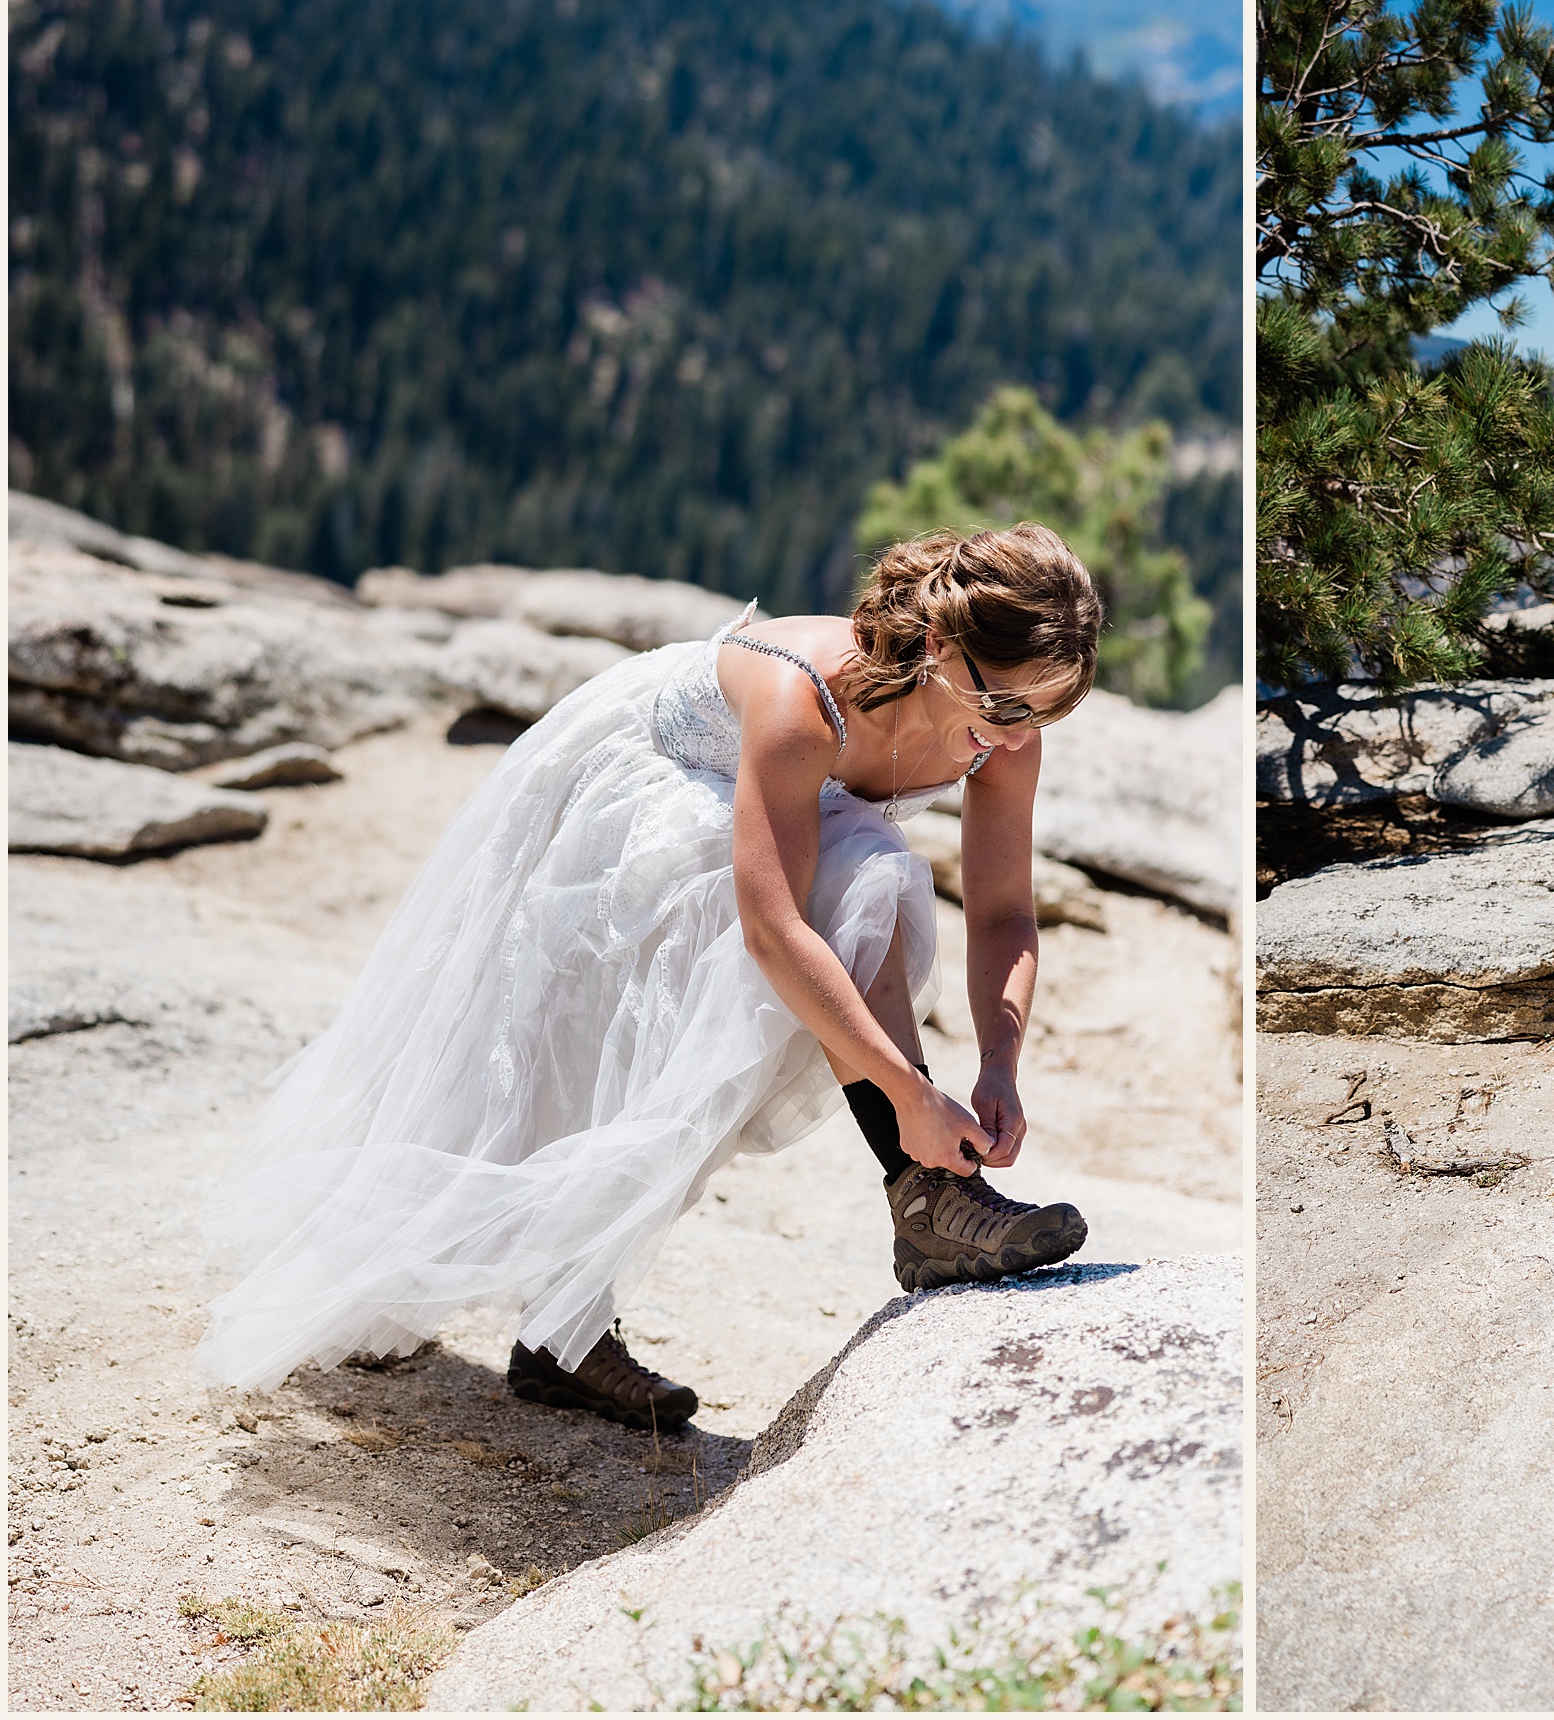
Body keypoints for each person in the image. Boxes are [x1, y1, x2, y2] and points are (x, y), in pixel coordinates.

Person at [194, 525, 1101, 1430]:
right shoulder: (805, 698)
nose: (1024, 732)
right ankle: (916, 1201)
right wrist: (907, 1089)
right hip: (653, 785)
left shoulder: (1003, 734)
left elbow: (1002, 914)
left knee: (855, 882)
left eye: (1050, 710)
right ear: (941, 647)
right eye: (1011, 704)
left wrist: (998, 1065)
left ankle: (578, 1328)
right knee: (610, 1050)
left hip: (787, 818)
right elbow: (774, 929)